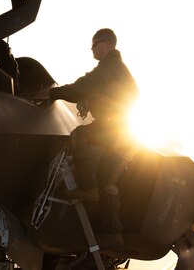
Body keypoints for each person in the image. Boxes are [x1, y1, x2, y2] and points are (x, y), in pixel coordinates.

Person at [47, 28, 139, 243]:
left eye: (95, 44)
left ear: (107, 44)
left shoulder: (109, 68)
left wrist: (52, 93)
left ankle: (88, 190)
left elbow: (81, 87)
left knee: (80, 136)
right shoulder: (114, 69)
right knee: (107, 180)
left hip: (118, 129)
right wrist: (92, 102)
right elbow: (103, 92)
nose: (92, 49)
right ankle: (111, 234)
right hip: (123, 130)